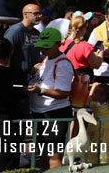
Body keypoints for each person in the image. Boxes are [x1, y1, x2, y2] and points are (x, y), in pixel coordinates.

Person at [27, 28, 74, 169]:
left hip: (55, 113)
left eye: (47, 46)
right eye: (42, 45)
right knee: (42, 154)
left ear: (58, 44)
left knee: (53, 155)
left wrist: (40, 90)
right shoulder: (46, 60)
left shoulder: (63, 63)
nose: (43, 49)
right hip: (40, 112)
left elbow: (64, 93)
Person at [0, 37, 24, 173]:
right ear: (11, 53)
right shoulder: (14, 74)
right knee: (6, 168)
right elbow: (21, 97)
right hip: (7, 127)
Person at [3, 3, 41, 84]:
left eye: (39, 13)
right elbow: (5, 56)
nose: (39, 16)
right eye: (36, 13)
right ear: (25, 14)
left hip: (30, 78)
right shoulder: (15, 31)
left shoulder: (36, 33)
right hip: (14, 78)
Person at [62, 16, 104, 81]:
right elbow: (97, 64)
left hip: (64, 81)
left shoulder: (61, 44)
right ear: (83, 28)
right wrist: (101, 51)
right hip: (80, 83)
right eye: (86, 27)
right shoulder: (85, 46)